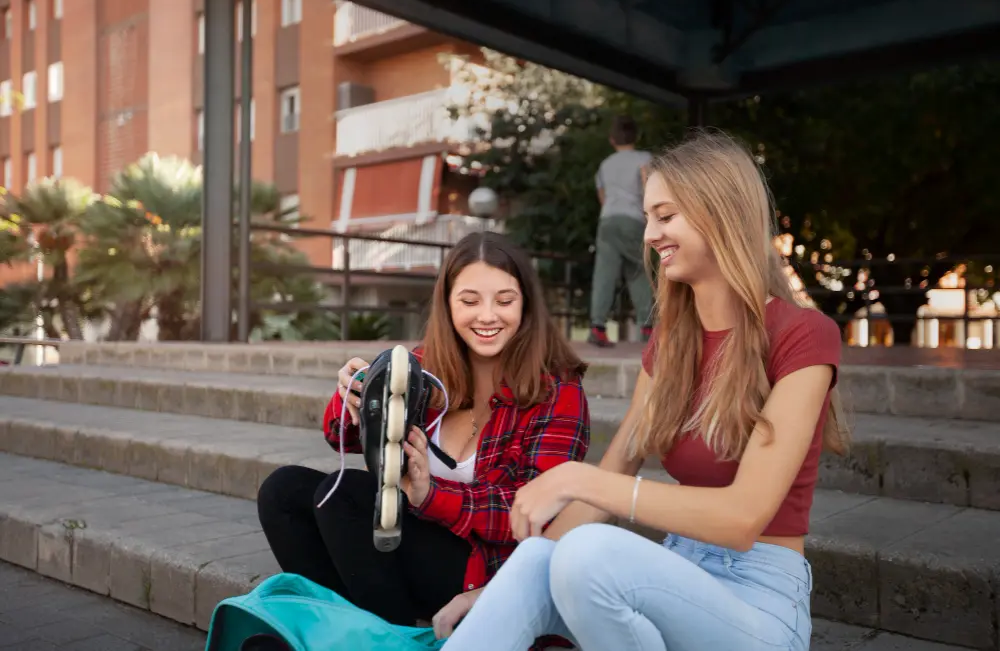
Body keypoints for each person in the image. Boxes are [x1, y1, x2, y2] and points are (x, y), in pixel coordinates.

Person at [437, 130, 850, 651]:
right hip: (679, 577)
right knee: (543, 559)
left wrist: (574, 478)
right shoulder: (672, 346)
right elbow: (614, 475)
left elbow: (744, 518)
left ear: (720, 212)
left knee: (589, 555)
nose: (650, 234)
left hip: (759, 603)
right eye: (650, 216)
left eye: (666, 215)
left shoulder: (802, 335)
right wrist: (498, 595)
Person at [256, 231, 591, 632]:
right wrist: (352, 397)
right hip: (406, 542)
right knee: (283, 490)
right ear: (448, 304)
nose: (487, 316)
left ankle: (387, 637)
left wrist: (433, 495)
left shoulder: (558, 391)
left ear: (527, 305)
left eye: (504, 301)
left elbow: (536, 516)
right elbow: (339, 438)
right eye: (469, 301)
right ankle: (343, 634)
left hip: (482, 567)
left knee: (346, 496)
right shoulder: (425, 366)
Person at [588, 114, 655, 347]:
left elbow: (602, 197)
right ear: (637, 136)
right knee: (639, 271)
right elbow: (649, 187)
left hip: (607, 220)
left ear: (612, 140)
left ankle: (597, 327)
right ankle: (647, 328)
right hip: (634, 220)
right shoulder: (644, 158)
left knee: (604, 273)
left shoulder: (605, 164)